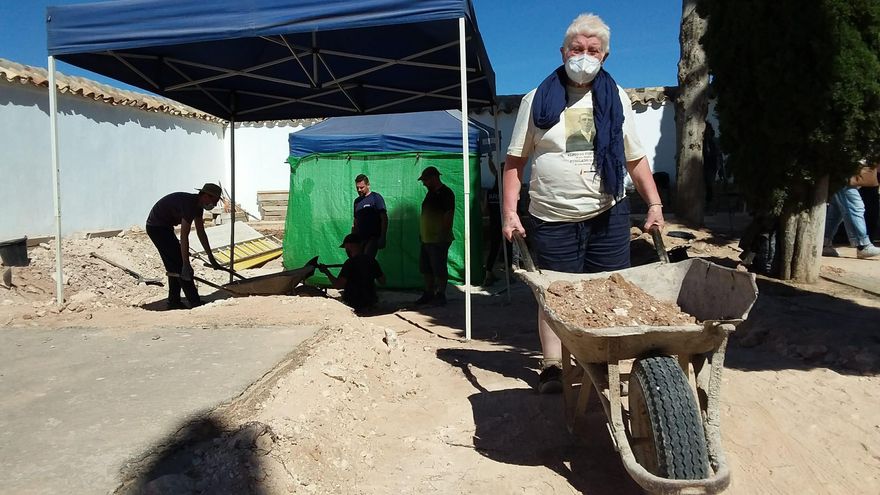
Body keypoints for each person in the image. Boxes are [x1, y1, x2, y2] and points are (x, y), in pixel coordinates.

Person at [501, 13, 665, 393]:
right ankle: (553, 365)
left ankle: (608, 364)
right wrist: (510, 212)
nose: (584, 56)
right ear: (563, 52)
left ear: (605, 56)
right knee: (555, 294)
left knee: (610, 292)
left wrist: (654, 205)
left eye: (593, 50)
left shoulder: (618, 97)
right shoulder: (535, 100)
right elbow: (514, 163)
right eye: (577, 48)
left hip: (607, 214)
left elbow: (635, 159)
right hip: (551, 217)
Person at [146, 183, 222, 309]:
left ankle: (174, 301)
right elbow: (184, 236)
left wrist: (211, 257)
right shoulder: (189, 205)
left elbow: (201, 232)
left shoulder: (198, 207)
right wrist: (186, 263)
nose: (213, 205)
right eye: (213, 201)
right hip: (156, 228)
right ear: (205, 196)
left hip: (165, 227)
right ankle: (194, 302)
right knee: (180, 265)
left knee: (174, 266)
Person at [415, 166, 455, 306]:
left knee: (439, 267)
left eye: (425, 180)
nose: (424, 183)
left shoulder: (446, 193)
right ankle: (429, 293)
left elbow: (448, 214)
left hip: (438, 238)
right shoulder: (430, 194)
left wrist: (442, 234)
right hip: (427, 239)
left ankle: (441, 294)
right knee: (426, 267)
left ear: (433, 178)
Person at [823, 162, 880, 259]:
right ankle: (862, 245)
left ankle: (824, 243)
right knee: (855, 207)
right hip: (844, 173)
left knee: (836, 211)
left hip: (844, 172)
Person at [319, 233, 386, 312]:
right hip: (370, 302)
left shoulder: (349, 263)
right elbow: (382, 281)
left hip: (354, 303)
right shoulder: (372, 261)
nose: (346, 250)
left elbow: (338, 285)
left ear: (350, 246)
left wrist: (327, 272)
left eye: (346, 248)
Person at [482, 159, 512, 286]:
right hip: (506, 224)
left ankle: (489, 273)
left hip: (494, 223)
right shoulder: (507, 192)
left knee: (494, 249)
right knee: (509, 248)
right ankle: (509, 273)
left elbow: (484, 209)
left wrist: (490, 160)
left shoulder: (490, 192)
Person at [352, 174, 388, 258]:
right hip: (360, 238)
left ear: (368, 185)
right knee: (359, 261)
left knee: (367, 259)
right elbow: (355, 220)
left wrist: (383, 236)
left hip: (373, 238)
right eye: (357, 187)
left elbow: (384, 218)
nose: (359, 190)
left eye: (362, 187)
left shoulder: (376, 198)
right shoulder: (356, 201)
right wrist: (353, 237)